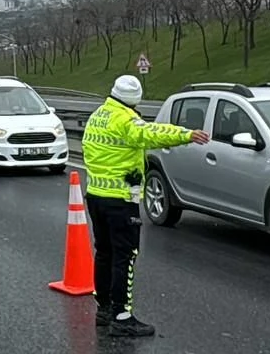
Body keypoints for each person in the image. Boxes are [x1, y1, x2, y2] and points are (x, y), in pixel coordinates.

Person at [82, 74, 208, 337]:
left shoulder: (98, 115)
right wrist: (186, 134)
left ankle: (104, 310)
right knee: (124, 257)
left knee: (104, 253)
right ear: (134, 101)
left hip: (95, 195)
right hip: (120, 199)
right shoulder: (126, 120)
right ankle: (121, 317)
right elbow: (151, 133)